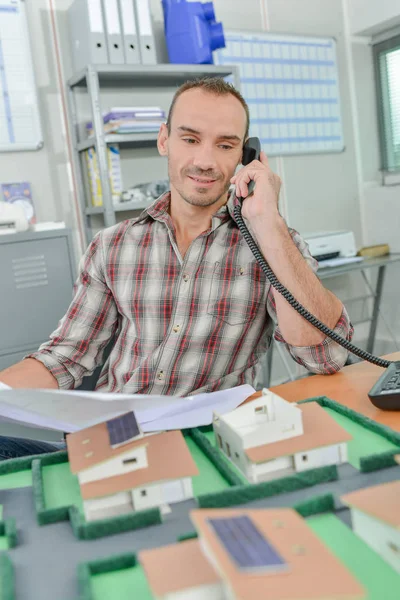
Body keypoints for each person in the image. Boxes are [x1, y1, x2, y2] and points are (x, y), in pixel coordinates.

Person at [0, 77, 352, 458]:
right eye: (190, 139)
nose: (204, 161)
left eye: (225, 145)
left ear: (247, 156)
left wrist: (267, 221)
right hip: (110, 441)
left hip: (206, 445)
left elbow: (326, 357)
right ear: (164, 140)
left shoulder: (272, 244)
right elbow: (65, 357)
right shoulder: (113, 245)